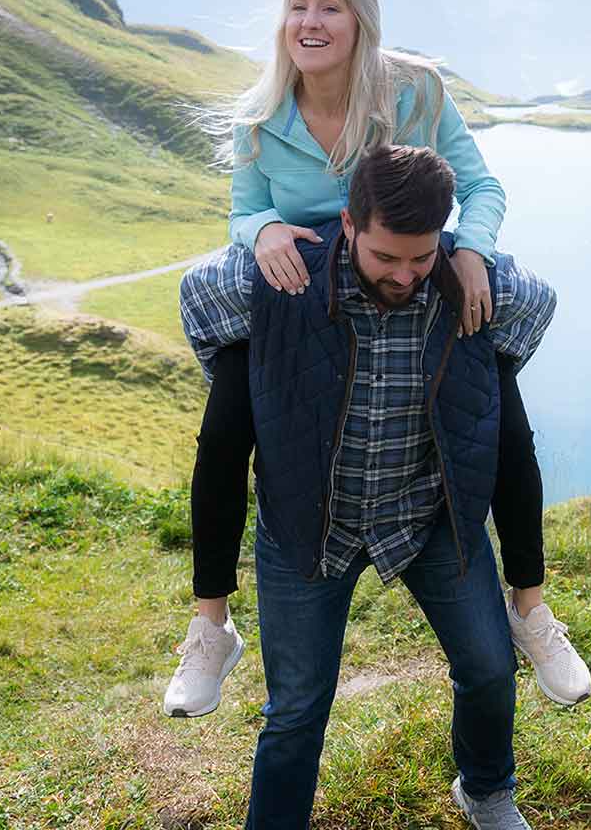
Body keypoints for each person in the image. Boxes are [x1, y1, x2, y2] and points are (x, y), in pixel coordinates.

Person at [164, 0, 590, 714]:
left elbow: (481, 184)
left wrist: (472, 251)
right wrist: (260, 229)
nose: (310, 22)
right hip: (300, 290)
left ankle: (529, 608)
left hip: (406, 267)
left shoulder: (413, 89)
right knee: (227, 426)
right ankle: (210, 626)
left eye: (330, 7)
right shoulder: (260, 113)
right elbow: (243, 207)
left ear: (361, 21)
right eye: (298, 5)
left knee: (500, 411)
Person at [187, 144, 544, 829]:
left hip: (426, 515)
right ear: (349, 224)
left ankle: (487, 792)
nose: (406, 275)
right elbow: (222, 437)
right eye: (387, 258)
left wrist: (467, 260)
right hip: (309, 523)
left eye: (422, 257)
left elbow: (510, 425)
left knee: (492, 669)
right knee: (295, 709)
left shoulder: (470, 286)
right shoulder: (275, 283)